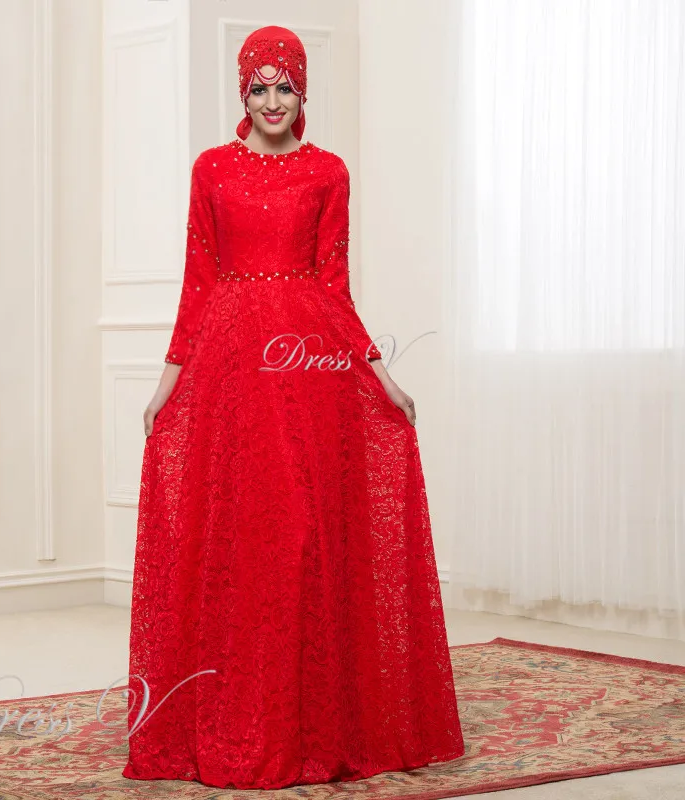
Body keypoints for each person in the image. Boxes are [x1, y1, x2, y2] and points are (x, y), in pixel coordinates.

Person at [123, 24, 465, 791]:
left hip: (311, 365)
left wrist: (381, 376)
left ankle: (315, 721)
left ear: (302, 91)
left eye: (285, 87)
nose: (272, 101)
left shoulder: (328, 172)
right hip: (230, 367)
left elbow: (334, 285)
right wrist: (167, 383)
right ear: (242, 92)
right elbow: (198, 280)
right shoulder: (211, 169)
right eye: (259, 87)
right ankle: (237, 712)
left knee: (308, 534)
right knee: (244, 539)